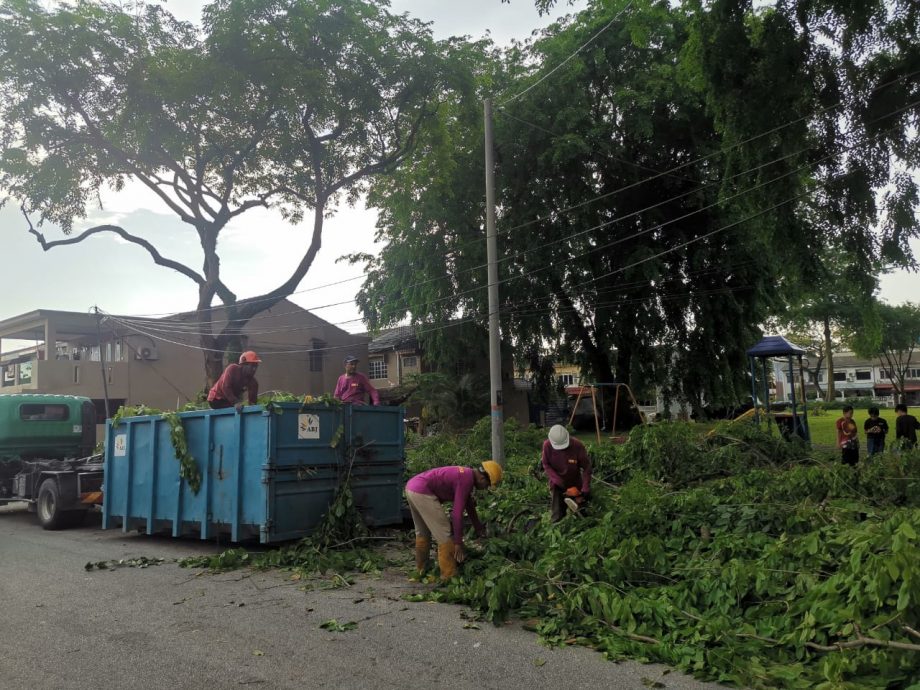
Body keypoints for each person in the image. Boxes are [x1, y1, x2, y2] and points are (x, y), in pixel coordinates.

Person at [405, 461, 502, 581]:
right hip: (422, 492)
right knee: (445, 534)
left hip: (412, 488)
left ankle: (421, 570)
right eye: (487, 485)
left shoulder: (466, 475)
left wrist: (479, 529)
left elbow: (469, 505)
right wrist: (458, 543)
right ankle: (449, 576)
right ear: (482, 478)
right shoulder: (466, 480)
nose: (485, 488)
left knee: (423, 533)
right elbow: (457, 515)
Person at [541, 424, 592, 522]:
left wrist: (585, 488)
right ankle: (557, 525)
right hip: (557, 483)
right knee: (557, 514)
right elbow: (546, 464)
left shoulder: (577, 446)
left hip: (575, 482)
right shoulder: (547, 446)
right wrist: (558, 481)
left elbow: (587, 468)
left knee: (581, 513)